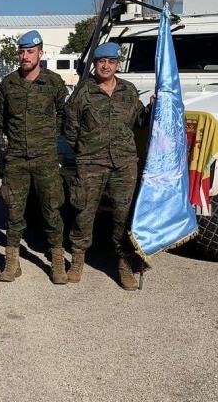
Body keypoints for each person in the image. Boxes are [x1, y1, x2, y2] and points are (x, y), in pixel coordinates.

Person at [62, 42, 144, 289]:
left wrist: (155, 106)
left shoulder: (129, 91)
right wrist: (86, 150)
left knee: (123, 215)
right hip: (90, 162)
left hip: (123, 163)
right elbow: (70, 128)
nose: (106, 66)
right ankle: (77, 259)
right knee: (83, 212)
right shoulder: (82, 93)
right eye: (101, 62)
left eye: (111, 62)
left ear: (118, 64)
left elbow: (138, 121)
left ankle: (124, 264)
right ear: (95, 64)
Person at [0, 30, 69, 284]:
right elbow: (3, 120)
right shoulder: (8, 84)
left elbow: (64, 114)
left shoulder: (54, 82)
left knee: (52, 209)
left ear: (40, 53)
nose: (25, 56)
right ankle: (12, 263)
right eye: (22, 51)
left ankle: (57, 263)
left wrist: (50, 139)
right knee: (14, 211)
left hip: (45, 158)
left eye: (30, 51)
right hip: (16, 158)